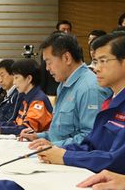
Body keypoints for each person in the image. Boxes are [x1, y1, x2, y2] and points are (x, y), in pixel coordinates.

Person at [37, 33, 125, 174]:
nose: (96, 68)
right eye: (95, 61)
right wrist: (55, 149)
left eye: (103, 61)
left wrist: (65, 155)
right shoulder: (111, 101)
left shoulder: (90, 88)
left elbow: (116, 160)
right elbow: (91, 144)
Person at [20, 32, 110, 148]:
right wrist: (39, 137)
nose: (47, 68)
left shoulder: (89, 88)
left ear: (67, 58)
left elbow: (91, 139)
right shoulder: (64, 84)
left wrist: (52, 146)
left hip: (73, 161)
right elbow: (60, 134)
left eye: (49, 62)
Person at [0, 59, 52, 135]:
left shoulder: (38, 101)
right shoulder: (26, 98)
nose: (14, 82)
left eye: (16, 78)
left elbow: (26, 128)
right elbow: (17, 123)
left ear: (29, 78)